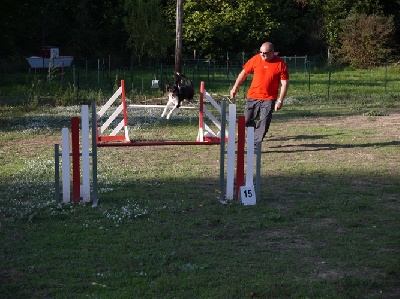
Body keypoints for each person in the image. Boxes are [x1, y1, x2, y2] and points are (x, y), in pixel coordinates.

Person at [230, 42, 289, 143]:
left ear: (272, 52)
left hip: (269, 98)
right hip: (253, 95)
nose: (262, 54)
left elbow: (285, 84)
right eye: (261, 52)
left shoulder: (280, 64)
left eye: (265, 53)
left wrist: (280, 101)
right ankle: (251, 135)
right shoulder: (256, 59)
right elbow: (244, 73)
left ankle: (254, 143)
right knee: (247, 120)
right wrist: (235, 87)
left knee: (264, 121)